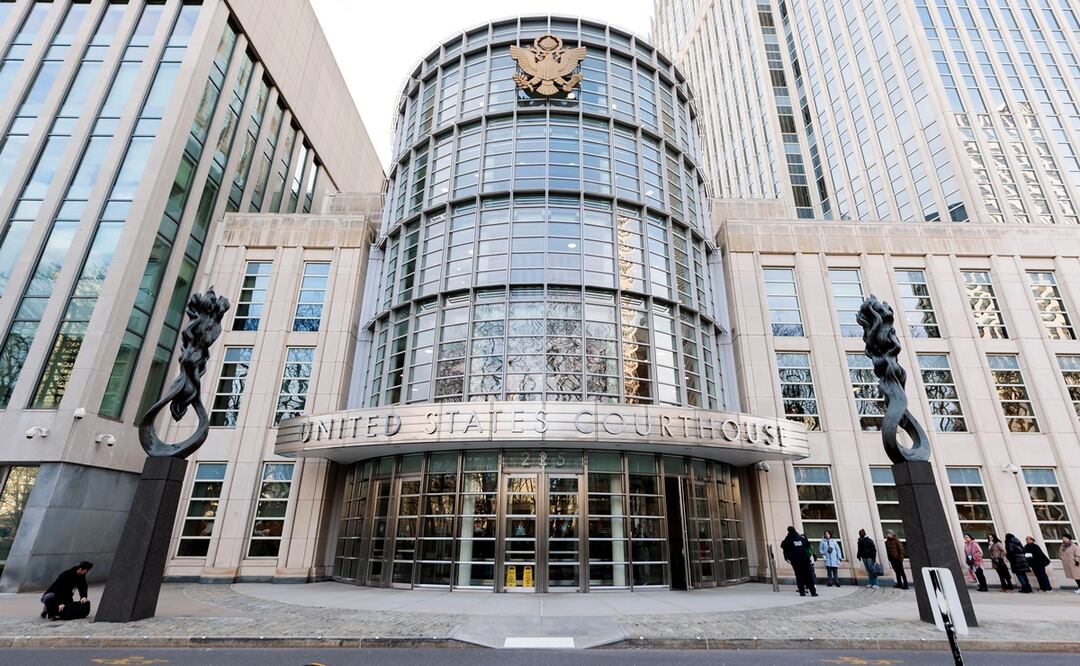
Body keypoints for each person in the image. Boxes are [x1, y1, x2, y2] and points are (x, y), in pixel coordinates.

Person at [780, 526, 818, 597]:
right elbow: (808, 544)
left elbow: (783, 545)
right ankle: (813, 592)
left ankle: (802, 592)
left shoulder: (789, 539)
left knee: (799, 576)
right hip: (805, 559)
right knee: (809, 575)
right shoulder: (801, 539)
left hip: (796, 560)